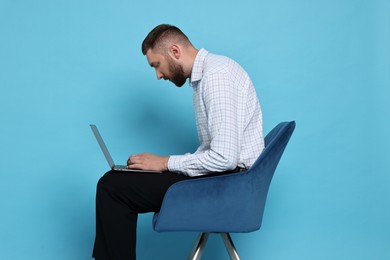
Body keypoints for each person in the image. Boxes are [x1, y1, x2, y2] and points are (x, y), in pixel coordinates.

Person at [93, 24, 265, 259]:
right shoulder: (208, 76)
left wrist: (165, 163)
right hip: (226, 178)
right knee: (115, 180)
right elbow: (217, 153)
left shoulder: (217, 77)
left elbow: (224, 158)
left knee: (112, 188)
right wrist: (162, 166)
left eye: (156, 65)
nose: (158, 75)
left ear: (174, 51)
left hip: (229, 185)